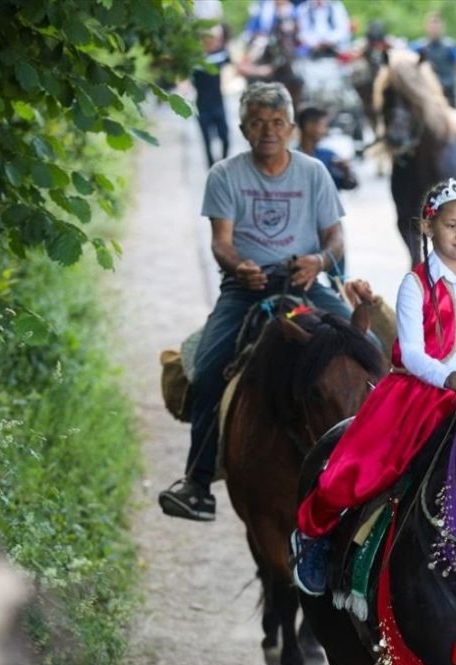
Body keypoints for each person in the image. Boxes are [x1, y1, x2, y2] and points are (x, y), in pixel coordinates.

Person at [290, 175, 456, 596]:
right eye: (452, 225)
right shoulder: (415, 285)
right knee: (367, 464)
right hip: (427, 391)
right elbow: (413, 353)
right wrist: (448, 377)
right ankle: (317, 535)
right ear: (428, 226)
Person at [158, 82, 355, 522]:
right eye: (257, 123)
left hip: (304, 281)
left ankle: (384, 468)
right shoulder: (225, 174)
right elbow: (221, 243)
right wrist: (239, 265)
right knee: (208, 370)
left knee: (367, 354)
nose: (268, 131)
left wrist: (318, 260)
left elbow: (335, 238)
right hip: (245, 288)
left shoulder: (313, 172)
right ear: (244, 128)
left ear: (289, 127)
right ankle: (197, 481)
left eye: (276, 122)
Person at [410, 11, 456, 108]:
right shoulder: (418, 47)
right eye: (432, 24)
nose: (434, 28)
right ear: (426, 26)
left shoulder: (450, 46)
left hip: (448, 92)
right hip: (427, 92)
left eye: (437, 24)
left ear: (442, 26)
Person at [191, 25, 230, 168]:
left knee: (225, 137)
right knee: (207, 141)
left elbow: (236, 65)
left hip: (218, 103)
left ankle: (223, 164)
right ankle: (211, 167)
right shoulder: (195, 60)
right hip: (202, 105)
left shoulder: (221, 55)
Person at [296, 104, 357, 191]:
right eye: (324, 126)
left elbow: (350, 185)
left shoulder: (329, 156)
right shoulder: (290, 158)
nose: (326, 131)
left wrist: (346, 171)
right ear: (308, 126)